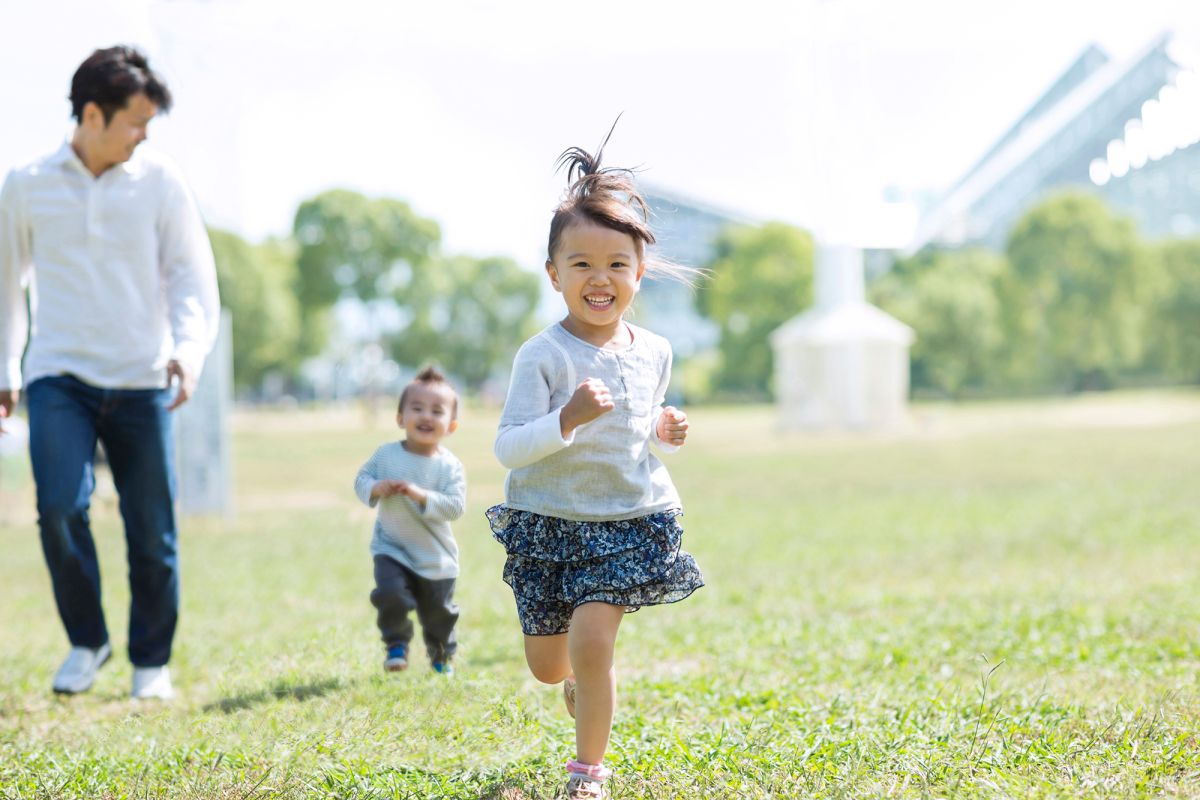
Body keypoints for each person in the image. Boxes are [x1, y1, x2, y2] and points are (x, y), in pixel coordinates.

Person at [486, 130, 705, 800]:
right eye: (580, 264)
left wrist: (666, 430)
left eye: (616, 264)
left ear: (639, 272)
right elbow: (508, 446)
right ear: (554, 274)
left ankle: (588, 774)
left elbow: (644, 423)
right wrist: (567, 420)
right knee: (550, 667)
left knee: (593, 635)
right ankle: (578, 682)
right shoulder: (543, 356)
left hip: (627, 519)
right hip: (550, 523)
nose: (599, 278)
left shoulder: (656, 350)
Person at [0, 46, 219, 700]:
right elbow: (7, 285)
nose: (144, 136)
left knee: (151, 530)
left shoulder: (160, 181)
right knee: (59, 509)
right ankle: (87, 640)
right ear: (92, 114)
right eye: (134, 122)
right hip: (58, 377)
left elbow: (189, 274)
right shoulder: (26, 184)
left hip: (141, 378)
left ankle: (151, 663)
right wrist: (5, 367)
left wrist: (188, 348)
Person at [355, 366, 466, 676]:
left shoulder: (449, 467)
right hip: (392, 547)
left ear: (451, 425)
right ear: (400, 418)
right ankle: (396, 645)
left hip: (436, 558)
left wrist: (421, 496)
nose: (426, 417)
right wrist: (375, 488)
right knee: (389, 595)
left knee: (438, 615)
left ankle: (442, 655)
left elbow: (455, 507)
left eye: (436, 411)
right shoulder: (386, 455)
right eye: (417, 408)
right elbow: (362, 478)